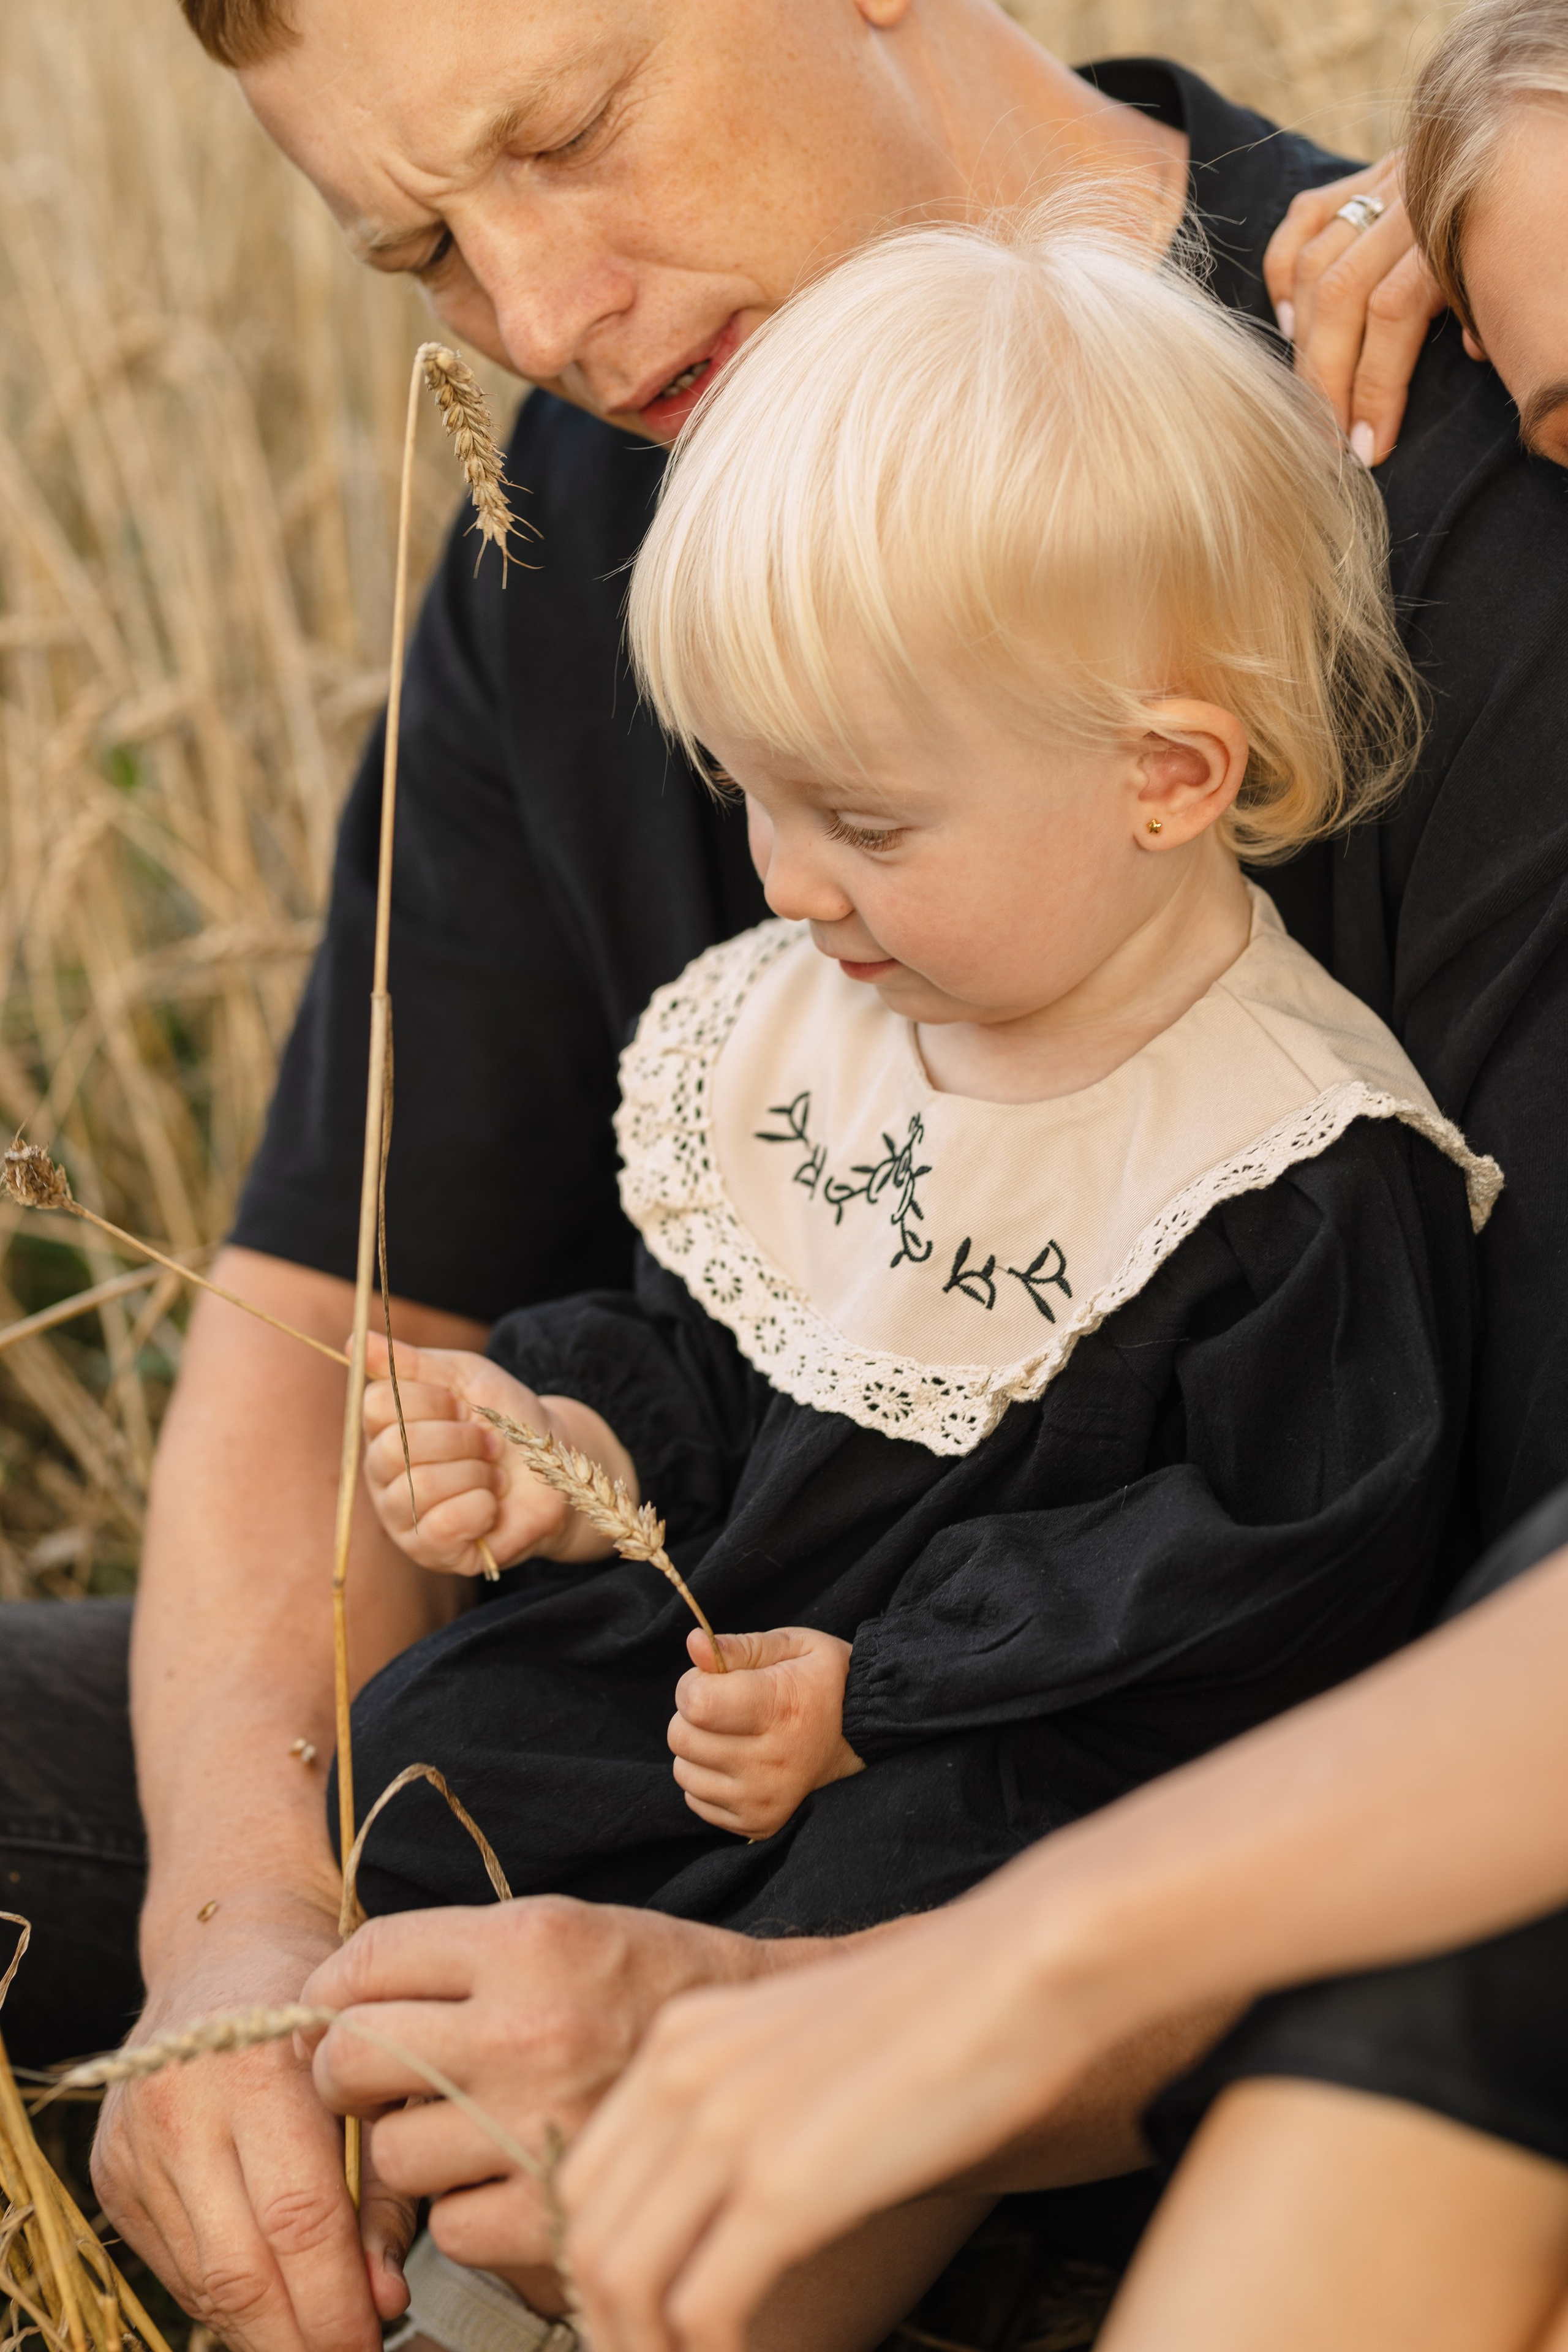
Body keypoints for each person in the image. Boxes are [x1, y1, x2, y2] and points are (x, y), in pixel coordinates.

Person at [0, 0, 1537, 2346]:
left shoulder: (1466, 425)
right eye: (422, 246)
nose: (537, 318)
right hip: (685, 1719)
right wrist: (238, 1953)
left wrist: (858, 2021)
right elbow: (345, 1312)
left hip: (1188, 1924)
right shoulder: (578, 500)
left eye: (573, 131)